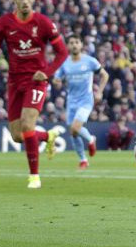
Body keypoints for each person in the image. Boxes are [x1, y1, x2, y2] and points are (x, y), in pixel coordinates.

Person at [0, 0, 69, 189]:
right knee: (17, 136)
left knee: (27, 125)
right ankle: (48, 135)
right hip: (14, 83)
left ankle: (34, 176)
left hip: (35, 82)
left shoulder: (43, 23)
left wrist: (47, 72)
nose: (25, 1)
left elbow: (63, 52)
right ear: (14, 0)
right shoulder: (5, 22)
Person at [53, 34, 109, 170]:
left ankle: (90, 139)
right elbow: (56, 80)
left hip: (86, 100)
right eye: (71, 43)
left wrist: (99, 91)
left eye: (76, 42)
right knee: (73, 132)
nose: (74, 45)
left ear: (81, 45)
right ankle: (83, 159)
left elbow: (104, 75)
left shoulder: (90, 61)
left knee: (75, 128)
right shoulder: (64, 64)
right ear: (68, 46)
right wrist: (56, 82)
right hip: (71, 101)